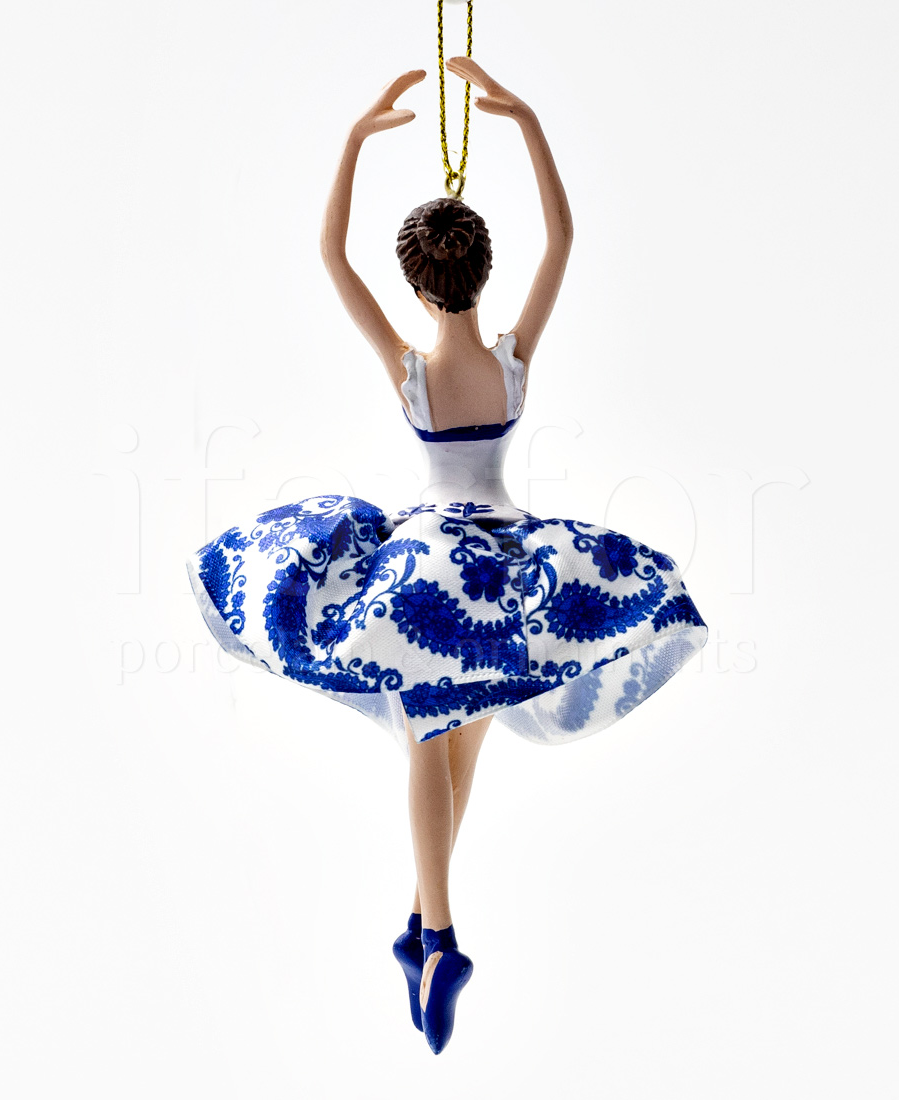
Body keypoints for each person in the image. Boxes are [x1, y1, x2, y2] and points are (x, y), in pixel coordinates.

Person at [187, 58, 707, 1054]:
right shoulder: (510, 362)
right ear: (480, 274)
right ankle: (424, 927)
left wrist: (355, 138)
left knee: (430, 729)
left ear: (419, 286)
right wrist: (526, 120)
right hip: (509, 565)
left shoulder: (414, 373)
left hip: (429, 562)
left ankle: (437, 933)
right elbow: (564, 237)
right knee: (457, 728)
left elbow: (332, 257)